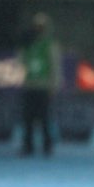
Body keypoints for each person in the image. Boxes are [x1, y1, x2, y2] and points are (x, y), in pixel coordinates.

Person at [19, 12, 61, 157]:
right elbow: (21, 62)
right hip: (30, 84)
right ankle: (28, 145)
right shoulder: (28, 44)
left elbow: (55, 65)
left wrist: (54, 85)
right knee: (28, 118)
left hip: (43, 86)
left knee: (44, 118)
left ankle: (47, 146)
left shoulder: (50, 44)